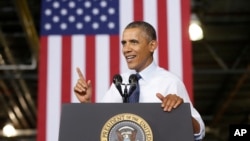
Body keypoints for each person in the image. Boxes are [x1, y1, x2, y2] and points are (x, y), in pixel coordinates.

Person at [74, 21, 205, 140]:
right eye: (124, 43)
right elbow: (102, 123)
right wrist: (86, 103)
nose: (126, 49)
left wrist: (181, 112)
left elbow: (199, 133)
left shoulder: (169, 82)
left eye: (133, 42)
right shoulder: (120, 82)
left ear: (152, 45)